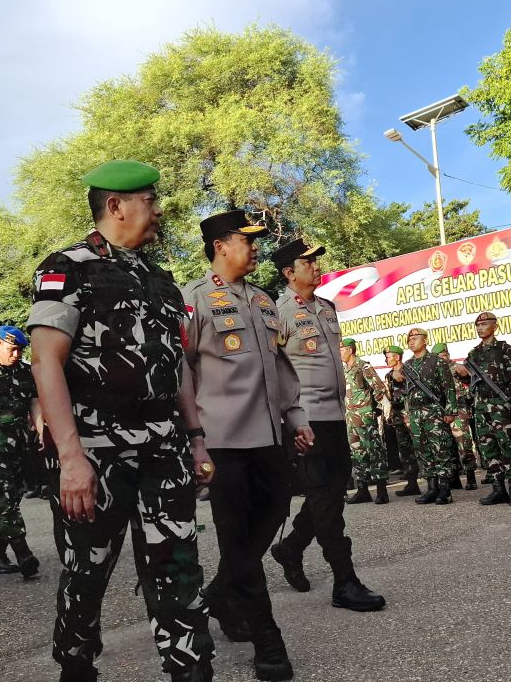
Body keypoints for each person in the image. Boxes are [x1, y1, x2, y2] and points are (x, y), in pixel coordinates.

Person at [29, 161, 215, 682]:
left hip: (163, 445)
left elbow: (176, 368)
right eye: (150, 201)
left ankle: (191, 672)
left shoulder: (161, 279)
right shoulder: (67, 268)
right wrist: (70, 459)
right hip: (95, 446)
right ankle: (76, 666)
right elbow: (47, 362)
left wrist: (196, 439)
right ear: (116, 205)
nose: (158, 211)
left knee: (179, 570)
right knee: (87, 571)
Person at [183, 209, 313, 682]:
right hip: (222, 441)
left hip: (269, 437)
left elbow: (280, 366)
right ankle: (267, 640)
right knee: (236, 536)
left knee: (276, 512)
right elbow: (183, 371)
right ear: (220, 244)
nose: (256, 248)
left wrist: (294, 415)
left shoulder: (262, 301)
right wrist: (194, 437)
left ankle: (219, 593)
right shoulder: (194, 299)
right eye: (248, 240)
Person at [267, 239, 385, 613]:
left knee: (330, 496)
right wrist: (287, 423)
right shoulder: (277, 311)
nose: (317, 267)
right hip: (307, 421)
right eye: (308, 263)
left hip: (336, 418)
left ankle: (290, 548)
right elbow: (272, 372)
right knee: (326, 504)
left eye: (318, 261)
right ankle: (344, 581)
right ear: (289, 272)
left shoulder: (327, 308)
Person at [0, 325, 41, 579]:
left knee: (10, 498)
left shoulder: (27, 374)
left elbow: (35, 406)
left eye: (20, 350)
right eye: (12, 349)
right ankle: (23, 552)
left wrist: (42, 432)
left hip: (21, 446)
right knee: (7, 498)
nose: (16, 355)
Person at [463, 312, 511, 506]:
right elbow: (472, 382)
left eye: (484, 324)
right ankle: (499, 490)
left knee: (508, 447)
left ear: (495, 326)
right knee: (488, 448)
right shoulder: (474, 353)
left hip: (501, 405)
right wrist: (463, 376)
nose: (480, 327)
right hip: (481, 407)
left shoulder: (504, 348)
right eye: (478, 325)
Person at [393, 327, 460, 505]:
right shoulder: (407, 365)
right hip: (415, 413)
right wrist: (407, 414)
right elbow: (403, 392)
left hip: (434, 411)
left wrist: (451, 411)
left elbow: (449, 387)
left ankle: (445, 489)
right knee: (422, 450)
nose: (412, 341)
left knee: (440, 449)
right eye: (409, 339)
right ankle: (431, 488)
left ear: (425, 341)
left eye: (416, 338)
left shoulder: (437, 361)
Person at [339, 337, 390, 504]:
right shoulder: (342, 370)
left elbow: (379, 387)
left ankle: (381, 490)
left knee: (374, 451)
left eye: (342, 349)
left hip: (365, 417)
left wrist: (378, 407)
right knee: (357, 454)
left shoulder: (363, 366)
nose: (340, 352)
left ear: (351, 350)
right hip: (350, 419)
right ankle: (363, 490)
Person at [433, 344, 479, 491]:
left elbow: (472, 385)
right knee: (447, 445)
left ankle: (470, 476)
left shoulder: (458, 368)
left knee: (464, 444)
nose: (441, 359)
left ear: (448, 354)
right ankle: (454, 478)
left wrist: (465, 376)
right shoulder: (435, 371)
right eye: (438, 357)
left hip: (459, 411)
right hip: (442, 411)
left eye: (443, 355)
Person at [382, 345, 420, 496]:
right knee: (405, 452)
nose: (386, 359)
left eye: (388, 356)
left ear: (397, 357)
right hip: (398, 417)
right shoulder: (389, 375)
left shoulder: (409, 370)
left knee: (420, 448)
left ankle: (434, 483)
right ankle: (412, 484)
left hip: (411, 415)